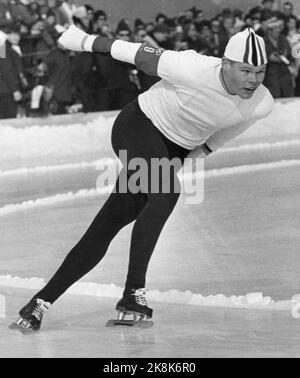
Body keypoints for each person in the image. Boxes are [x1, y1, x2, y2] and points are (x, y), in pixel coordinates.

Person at [13, 26, 274, 331]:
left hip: (171, 147)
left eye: (260, 71)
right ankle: (133, 292)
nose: (253, 80)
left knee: (109, 222)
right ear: (225, 63)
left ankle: (40, 302)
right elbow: (129, 50)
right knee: (167, 193)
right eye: (245, 70)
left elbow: (237, 123)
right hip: (138, 126)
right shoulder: (190, 66)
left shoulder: (262, 102)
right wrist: (81, 40)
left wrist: (203, 148)